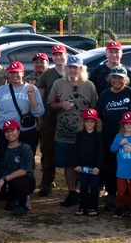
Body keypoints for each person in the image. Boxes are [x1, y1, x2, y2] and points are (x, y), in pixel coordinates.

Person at [47, 54, 97, 207]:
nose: (72, 70)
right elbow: (49, 105)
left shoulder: (89, 85)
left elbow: (94, 108)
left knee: (85, 162)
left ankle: (87, 193)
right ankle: (72, 193)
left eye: (76, 67)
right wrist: (61, 105)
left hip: (84, 132)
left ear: (81, 69)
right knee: (68, 164)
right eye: (70, 67)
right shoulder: (58, 83)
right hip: (64, 132)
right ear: (66, 68)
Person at [95, 65, 131, 209]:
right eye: (114, 77)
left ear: (126, 80)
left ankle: (129, 196)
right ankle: (113, 195)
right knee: (111, 167)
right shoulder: (105, 95)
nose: (116, 80)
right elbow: (98, 117)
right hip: (110, 138)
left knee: (128, 165)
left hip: (129, 138)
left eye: (120, 78)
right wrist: (99, 135)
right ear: (110, 78)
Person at [0, 119, 36, 216]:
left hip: (23, 181)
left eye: (12, 131)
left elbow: (23, 171)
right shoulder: (1, 148)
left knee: (19, 183)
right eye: (7, 131)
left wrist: (3, 179)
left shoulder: (25, 148)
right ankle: (12, 199)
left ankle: (22, 205)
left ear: (18, 131)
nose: (10, 134)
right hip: (5, 183)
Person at [0, 61, 44, 155]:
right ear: (8, 73)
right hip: (5, 132)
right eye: (12, 72)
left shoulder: (31, 89)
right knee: (4, 163)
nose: (14, 75)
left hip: (25, 132)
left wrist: (31, 98)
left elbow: (38, 112)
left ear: (22, 72)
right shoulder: (0, 90)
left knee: (27, 163)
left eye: (17, 72)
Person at [35, 44, 69, 197]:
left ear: (66, 55)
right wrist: (40, 120)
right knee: (48, 151)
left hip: (70, 120)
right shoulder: (46, 75)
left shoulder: (73, 71)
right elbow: (40, 100)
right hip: (50, 119)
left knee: (74, 152)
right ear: (52, 57)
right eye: (55, 55)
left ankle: (77, 183)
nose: (58, 57)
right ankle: (47, 182)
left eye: (60, 54)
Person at [74, 109, 104, 217]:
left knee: (95, 187)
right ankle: (82, 207)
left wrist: (99, 167)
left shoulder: (99, 135)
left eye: (92, 121)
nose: (89, 124)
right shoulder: (80, 135)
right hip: (82, 167)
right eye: (87, 121)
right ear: (83, 122)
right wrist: (76, 164)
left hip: (94, 167)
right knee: (83, 187)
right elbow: (76, 150)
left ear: (96, 123)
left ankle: (93, 207)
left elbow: (101, 152)